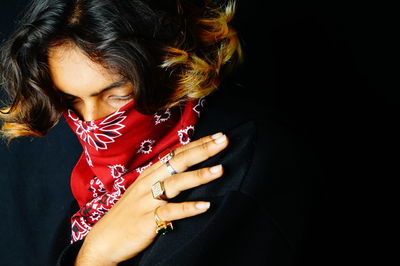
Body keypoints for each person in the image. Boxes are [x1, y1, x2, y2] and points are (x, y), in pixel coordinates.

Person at [0, 0, 317, 265]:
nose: (93, 121)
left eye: (118, 95)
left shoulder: (234, 171)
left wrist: (94, 258)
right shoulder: (108, 174)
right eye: (71, 100)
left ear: (169, 65)